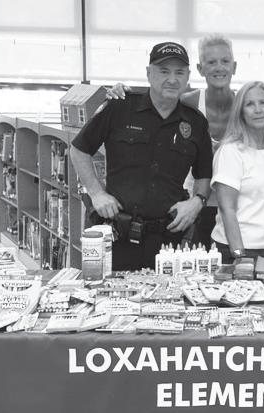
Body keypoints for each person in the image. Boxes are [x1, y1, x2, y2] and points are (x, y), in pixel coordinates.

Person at [70, 42, 213, 270]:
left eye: (179, 72)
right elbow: (78, 149)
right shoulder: (119, 107)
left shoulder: (196, 122)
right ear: (148, 73)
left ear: (188, 77)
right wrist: (96, 193)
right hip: (117, 235)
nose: (172, 79)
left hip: (169, 239)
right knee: (110, 292)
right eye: (164, 71)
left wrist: (197, 202)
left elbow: (204, 173)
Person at [107, 34, 237, 249]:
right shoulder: (187, 103)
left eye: (225, 61)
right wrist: (120, 93)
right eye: (211, 62)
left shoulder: (247, 107)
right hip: (190, 209)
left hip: (235, 206)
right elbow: (154, 103)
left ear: (234, 66)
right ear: (200, 69)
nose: (219, 68)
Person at [210, 81, 264, 263]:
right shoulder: (231, 151)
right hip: (238, 249)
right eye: (250, 104)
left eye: (263, 103)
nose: (258, 110)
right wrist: (239, 255)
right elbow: (227, 209)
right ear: (240, 112)